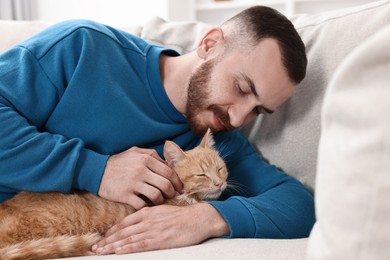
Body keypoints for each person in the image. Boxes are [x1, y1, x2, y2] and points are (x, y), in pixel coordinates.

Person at [0, 5, 315, 255]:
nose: (238, 117)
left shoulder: (213, 142)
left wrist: (206, 218)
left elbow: (301, 206)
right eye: (242, 88)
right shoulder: (83, 47)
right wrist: (96, 169)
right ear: (210, 44)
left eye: (258, 110)